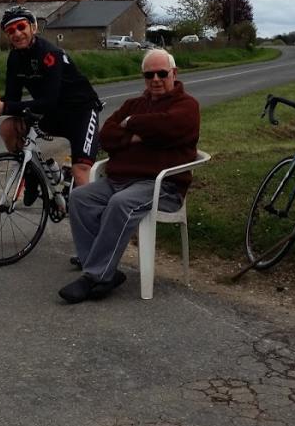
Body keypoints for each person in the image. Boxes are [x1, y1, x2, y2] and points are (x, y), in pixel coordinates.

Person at [59, 49, 200, 303]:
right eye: (149, 75)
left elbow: (169, 127)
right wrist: (138, 134)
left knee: (120, 203)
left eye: (161, 73)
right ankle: (104, 272)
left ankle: (94, 276)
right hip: (118, 180)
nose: (155, 79)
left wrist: (131, 123)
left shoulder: (187, 106)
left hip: (161, 186)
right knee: (79, 197)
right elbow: (107, 136)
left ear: (174, 74)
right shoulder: (132, 103)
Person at [0, 5, 102, 190]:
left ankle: (91, 216)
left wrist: (4, 108)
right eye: (11, 31)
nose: (17, 34)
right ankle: (32, 175)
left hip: (80, 113)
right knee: (8, 128)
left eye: (21, 27)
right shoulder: (14, 58)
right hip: (52, 114)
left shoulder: (49, 54)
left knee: (80, 170)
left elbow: (49, 101)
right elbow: (13, 98)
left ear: (33, 28)